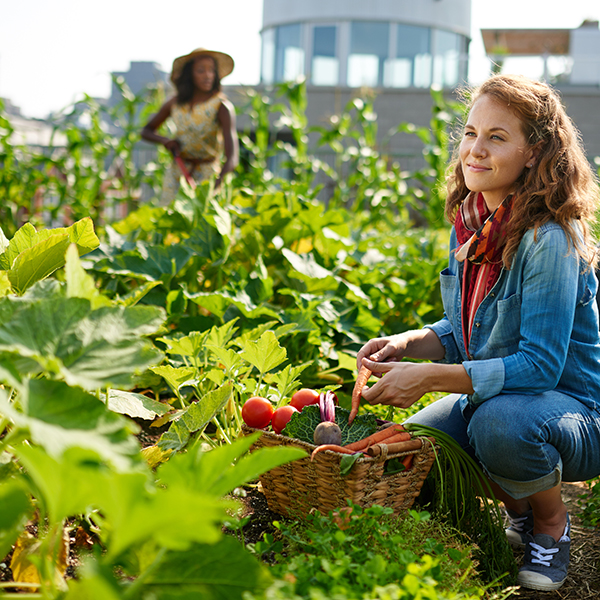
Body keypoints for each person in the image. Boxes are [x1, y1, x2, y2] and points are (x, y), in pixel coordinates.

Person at [356, 74, 600, 592]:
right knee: (416, 455)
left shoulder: (549, 239)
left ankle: (552, 523)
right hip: (499, 397)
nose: (476, 150)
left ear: (533, 153)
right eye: (471, 133)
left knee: (497, 425)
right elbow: (463, 326)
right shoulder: (471, 226)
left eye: (497, 137)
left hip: (570, 410)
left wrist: (429, 378)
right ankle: (520, 505)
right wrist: (408, 344)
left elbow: (539, 367)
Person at [141, 48, 239, 202]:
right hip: (178, 172)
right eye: (201, 71)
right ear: (189, 75)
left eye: (212, 71)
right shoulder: (175, 104)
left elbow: (232, 158)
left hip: (208, 176)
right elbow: (146, 131)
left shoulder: (221, 106)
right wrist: (166, 141)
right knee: (170, 220)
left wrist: (214, 187)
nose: (207, 75)